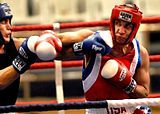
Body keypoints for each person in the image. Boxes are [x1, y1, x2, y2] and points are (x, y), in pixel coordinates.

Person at [54, 3, 151, 114]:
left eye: (127, 26)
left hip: (129, 111)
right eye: (118, 24)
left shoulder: (140, 53)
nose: (120, 30)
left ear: (134, 29)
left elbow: (144, 93)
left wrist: (127, 83)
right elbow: (59, 45)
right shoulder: (92, 38)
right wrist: (81, 47)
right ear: (112, 23)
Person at [0, 3, 62, 106]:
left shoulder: (13, 45)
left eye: (9, 21)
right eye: (3, 22)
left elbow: (61, 40)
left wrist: (83, 42)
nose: (9, 27)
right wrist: (23, 60)